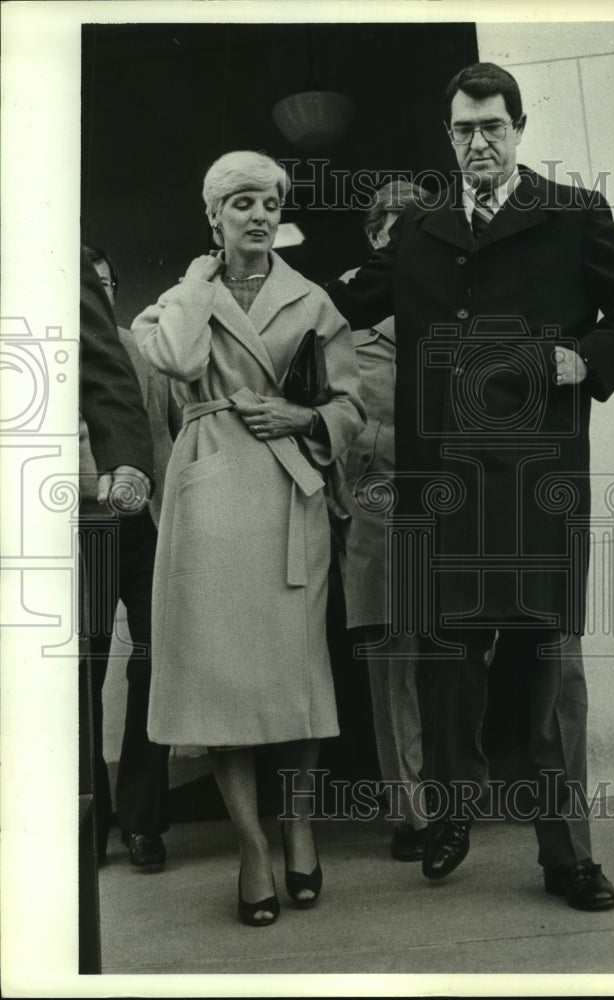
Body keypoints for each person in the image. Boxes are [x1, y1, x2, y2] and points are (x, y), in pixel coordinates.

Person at [326, 63, 614, 910]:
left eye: (493, 127)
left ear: (518, 128)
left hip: (539, 486)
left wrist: (583, 358)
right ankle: (450, 818)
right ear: (449, 138)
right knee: (451, 672)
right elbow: (339, 303)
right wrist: (228, 275)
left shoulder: (573, 215)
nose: (478, 142)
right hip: (442, 491)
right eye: (463, 130)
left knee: (553, 678)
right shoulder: (419, 231)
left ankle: (569, 858)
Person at [132, 151, 365, 926]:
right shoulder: (180, 299)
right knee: (222, 685)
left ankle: (297, 826)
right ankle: (251, 846)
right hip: (210, 496)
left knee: (294, 678)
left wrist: (301, 418)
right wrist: (198, 284)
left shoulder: (315, 302)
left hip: (285, 492)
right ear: (215, 216)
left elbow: (352, 406)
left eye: (270, 202)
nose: (259, 215)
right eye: (240, 204)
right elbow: (177, 359)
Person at [333, 181, 431, 862]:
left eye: (417, 226)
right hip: (376, 496)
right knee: (393, 655)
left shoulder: (453, 295)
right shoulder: (341, 305)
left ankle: (457, 790)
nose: (403, 238)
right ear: (373, 236)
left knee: (459, 646)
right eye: (392, 227)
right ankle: (410, 807)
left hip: (451, 490)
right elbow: (324, 403)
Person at [79, 246, 169, 869]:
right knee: (81, 672)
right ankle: (90, 817)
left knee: (152, 663)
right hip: (80, 525)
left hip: (143, 527)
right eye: (91, 282)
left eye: (107, 283)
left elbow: (164, 430)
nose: (99, 293)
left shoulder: (139, 350)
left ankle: (143, 821)